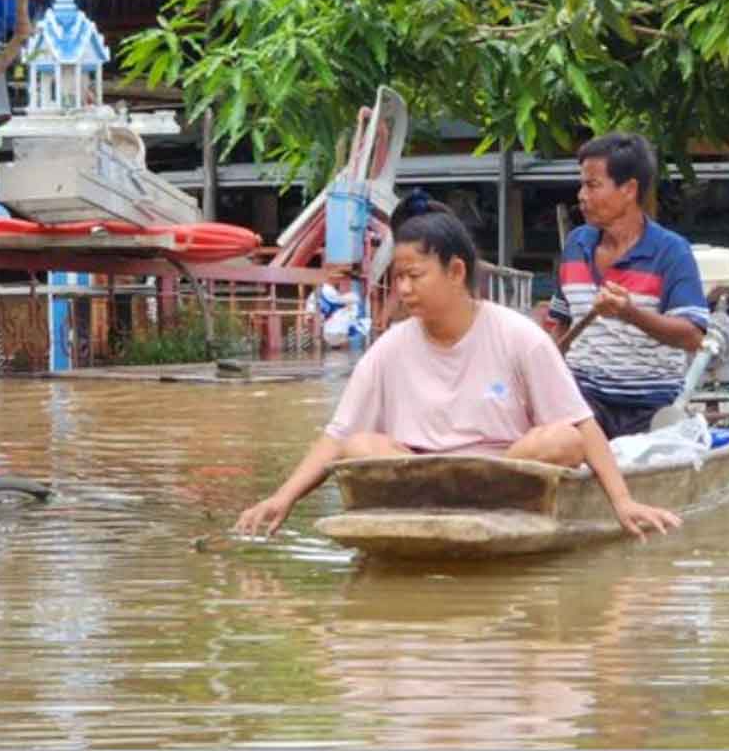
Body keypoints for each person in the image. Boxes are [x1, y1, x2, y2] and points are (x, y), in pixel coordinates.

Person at [233, 191, 681, 540]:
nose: (403, 289)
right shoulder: (389, 348)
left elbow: (582, 426)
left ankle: (481, 507)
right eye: (398, 278)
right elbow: (337, 437)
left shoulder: (517, 335)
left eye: (415, 275)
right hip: (422, 481)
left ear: (455, 272)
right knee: (360, 447)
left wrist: (622, 502)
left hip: (504, 475)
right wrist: (282, 498)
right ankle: (434, 515)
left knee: (560, 438)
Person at [547, 133, 710, 440]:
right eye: (582, 184)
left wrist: (630, 313)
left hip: (651, 406)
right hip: (585, 404)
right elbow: (560, 324)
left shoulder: (671, 251)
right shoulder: (575, 245)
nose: (581, 195)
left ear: (629, 190)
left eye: (593, 185)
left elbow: (693, 337)